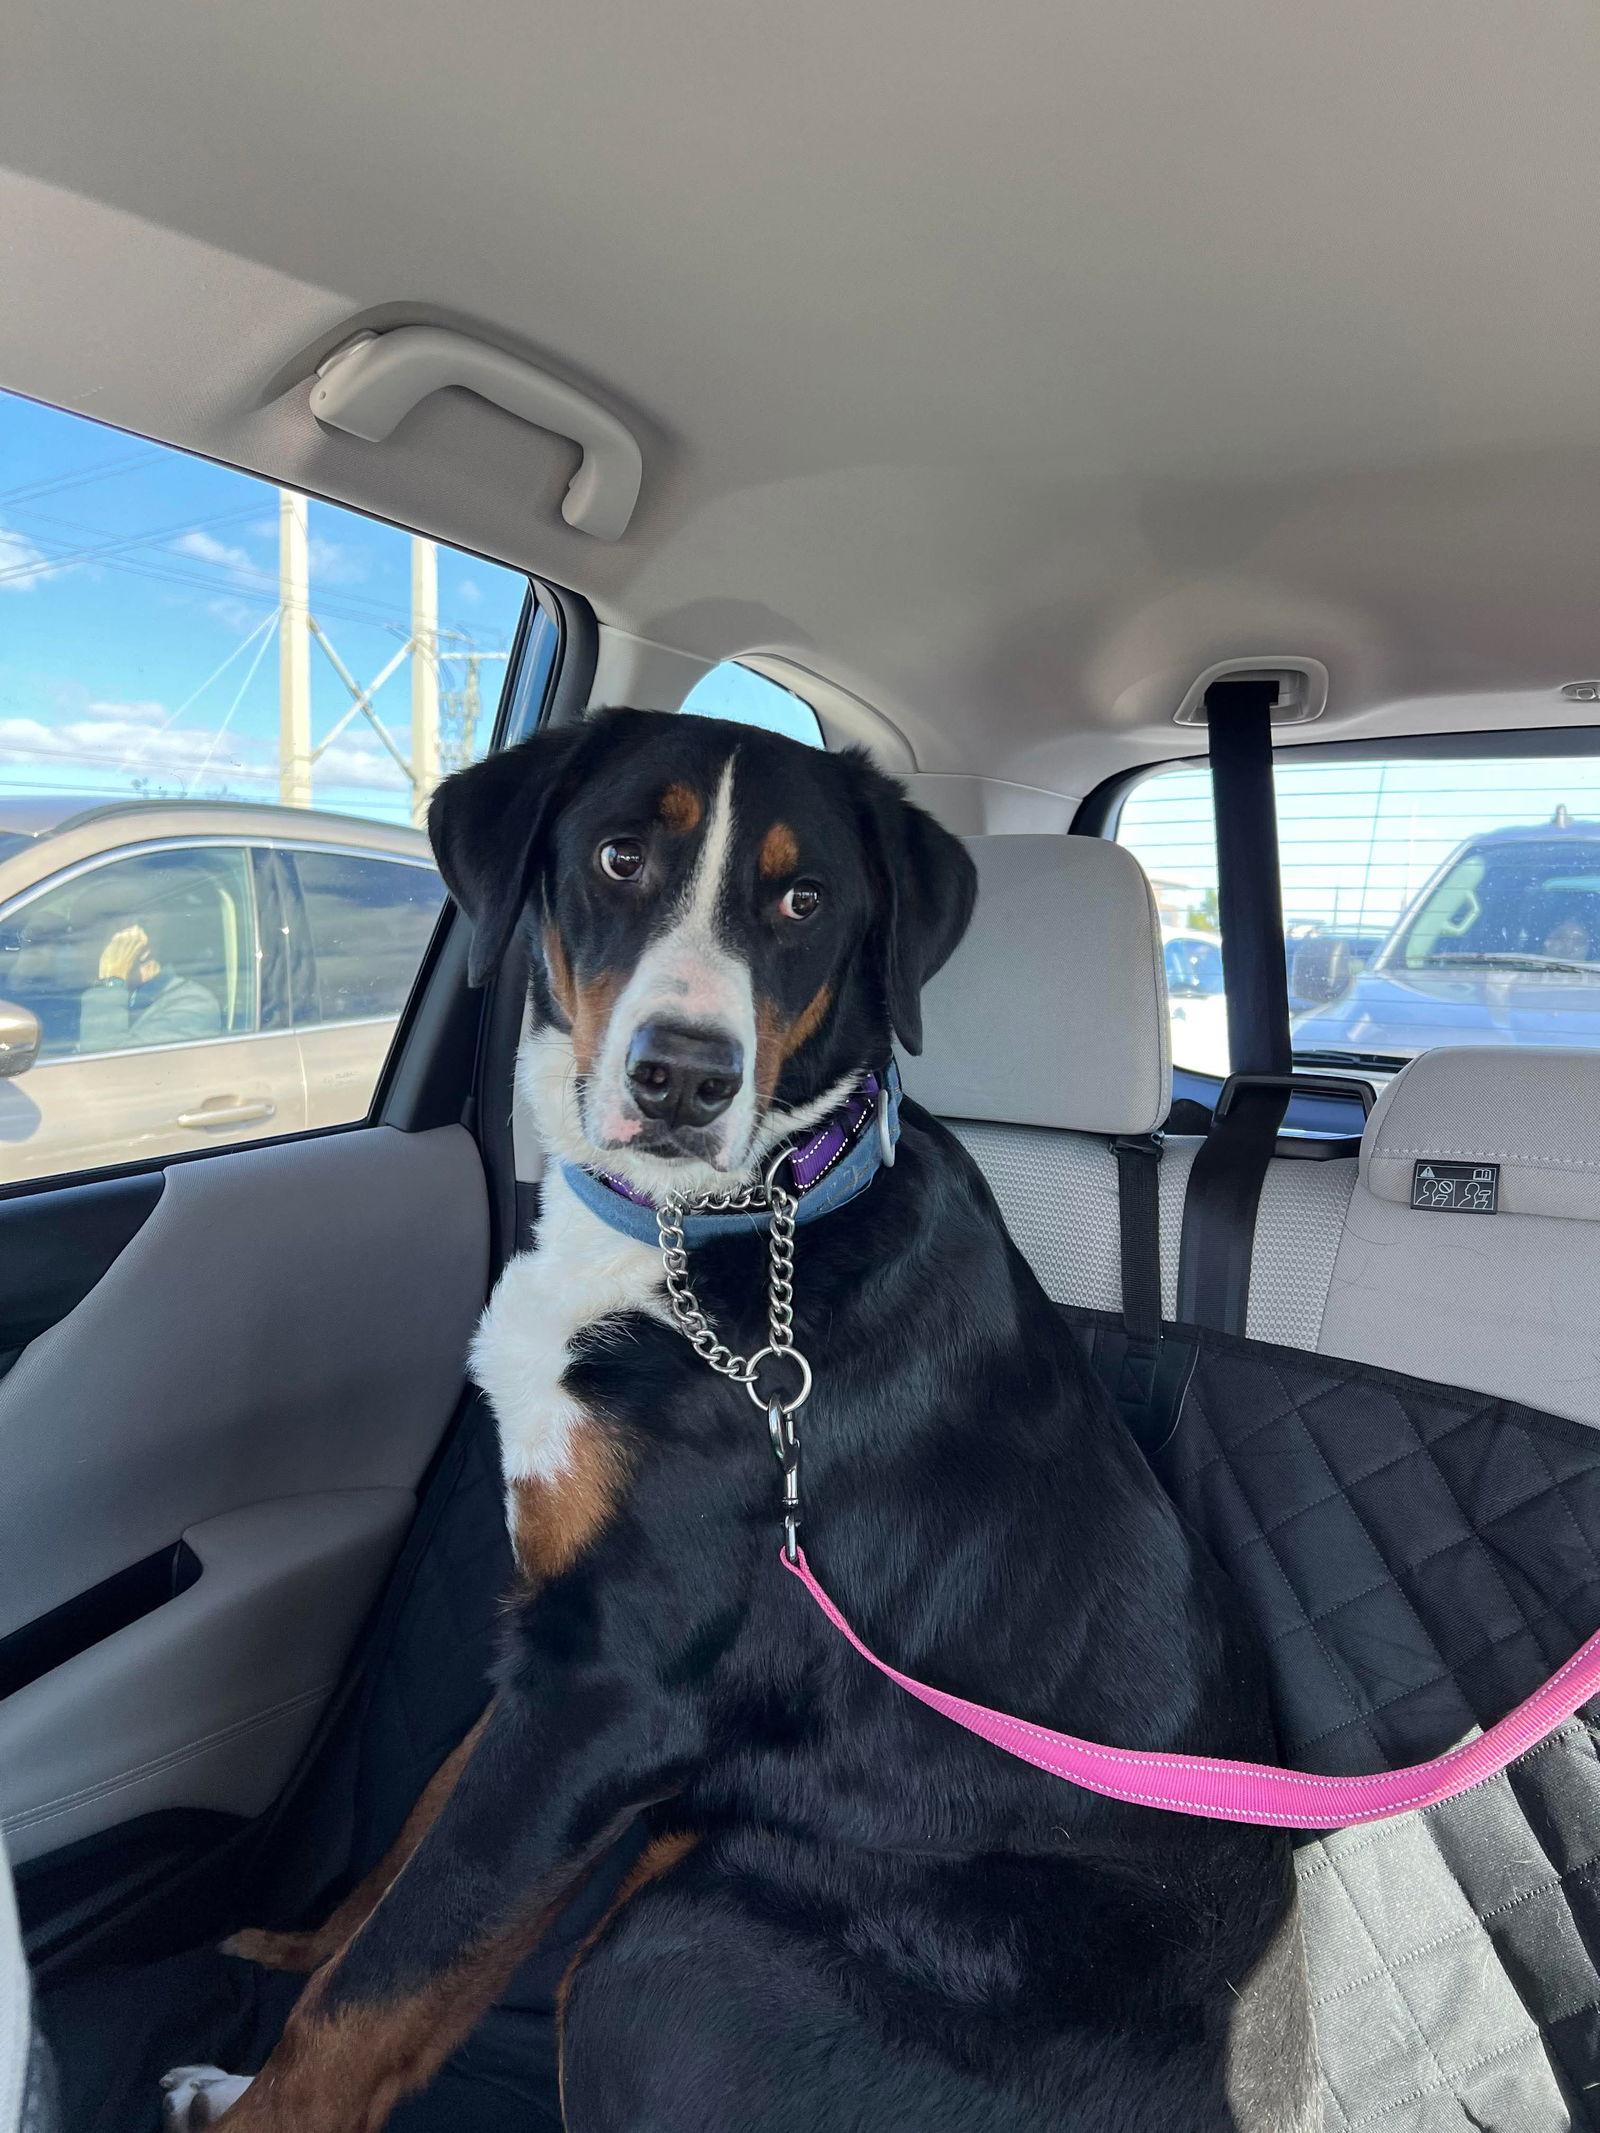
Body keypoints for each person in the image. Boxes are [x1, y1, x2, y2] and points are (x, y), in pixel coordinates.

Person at [78, 916, 223, 1051]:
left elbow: (107, 1067)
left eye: (91, 938)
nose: (77, 951)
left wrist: (110, 983)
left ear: (137, 949)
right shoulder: (74, 997)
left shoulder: (191, 1003)